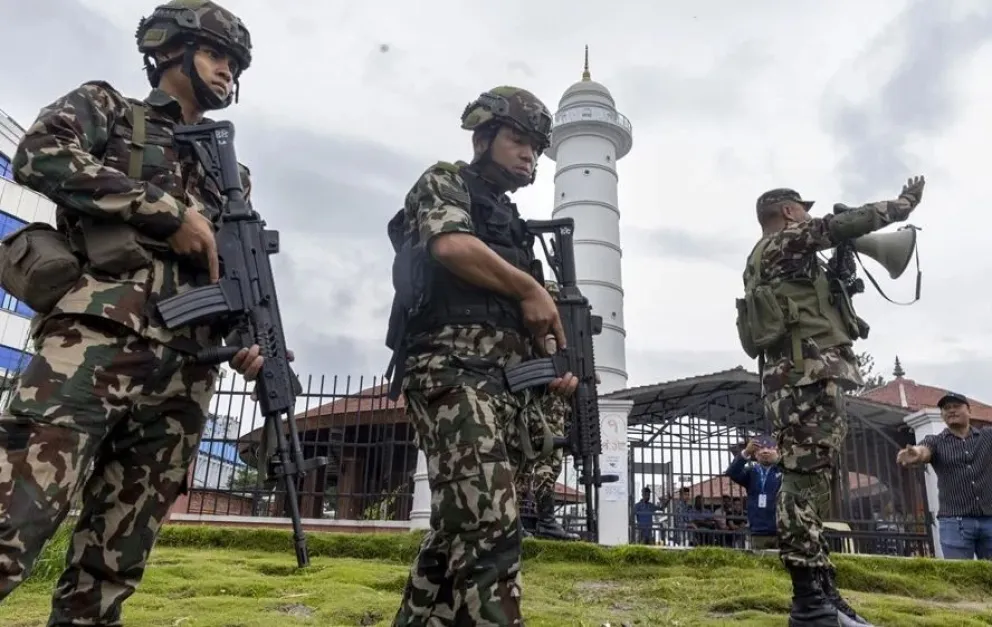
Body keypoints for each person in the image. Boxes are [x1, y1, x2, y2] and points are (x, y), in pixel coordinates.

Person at [0, 2, 278, 624]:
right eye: (214, 54)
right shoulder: (108, 108)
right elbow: (40, 154)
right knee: (11, 529)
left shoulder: (233, 176)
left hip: (184, 376)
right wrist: (165, 210)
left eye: (234, 63)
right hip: (91, 344)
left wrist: (247, 340)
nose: (226, 71)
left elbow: (230, 273)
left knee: (111, 568)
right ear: (169, 51)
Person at [386, 86, 578, 626]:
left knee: (459, 528)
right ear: (484, 135)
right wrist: (529, 290)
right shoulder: (444, 181)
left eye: (536, 148)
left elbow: (526, 319)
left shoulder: (511, 221)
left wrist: (552, 371)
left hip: (504, 383)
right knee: (492, 525)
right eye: (519, 140)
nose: (529, 155)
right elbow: (449, 245)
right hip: (451, 370)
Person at [736, 177, 925, 627]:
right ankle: (809, 603)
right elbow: (843, 223)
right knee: (803, 484)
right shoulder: (786, 240)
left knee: (812, 480)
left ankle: (822, 591)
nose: (807, 215)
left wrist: (839, 263)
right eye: (802, 209)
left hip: (800, 379)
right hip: (807, 378)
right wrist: (900, 205)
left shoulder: (775, 258)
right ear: (786, 212)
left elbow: (825, 293)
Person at [515, 280, 579, 542]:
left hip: (551, 408)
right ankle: (536, 521)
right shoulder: (543, 337)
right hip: (542, 409)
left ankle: (542, 521)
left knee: (540, 463)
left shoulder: (546, 336)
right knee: (536, 463)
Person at [896, 391, 992, 560]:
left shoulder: (987, 437)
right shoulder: (936, 441)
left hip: (990, 520)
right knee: (960, 579)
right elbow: (924, 450)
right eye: (946, 408)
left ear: (969, 410)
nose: (951, 411)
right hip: (955, 524)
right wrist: (916, 454)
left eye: (956, 406)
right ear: (942, 415)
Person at [725, 435, 782, 550]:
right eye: (761, 448)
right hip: (758, 531)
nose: (765, 451)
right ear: (755, 454)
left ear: (778, 452)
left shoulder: (783, 471)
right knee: (760, 564)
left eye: (770, 448)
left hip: (782, 530)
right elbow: (732, 472)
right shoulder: (751, 472)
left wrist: (781, 458)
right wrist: (745, 452)